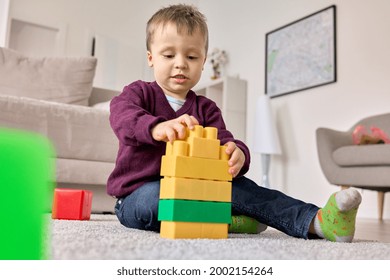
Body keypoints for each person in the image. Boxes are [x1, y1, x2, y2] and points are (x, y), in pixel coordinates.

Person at [107, 4, 362, 242]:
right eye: (169, 54)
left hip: (198, 188)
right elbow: (122, 116)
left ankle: (317, 221)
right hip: (137, 195)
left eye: (192, 57)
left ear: (204, 62)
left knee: (249, 191)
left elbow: (225, 141)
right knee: (162, 200)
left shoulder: (206, 108)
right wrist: (155, 127)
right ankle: (228, 221)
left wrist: (238, 153)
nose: (181, 63)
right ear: (151, 58)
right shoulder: (138, 93)